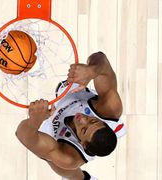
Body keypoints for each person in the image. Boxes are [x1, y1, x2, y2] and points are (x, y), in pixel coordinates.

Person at [16, 52, 126, 180]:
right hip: (77, 96)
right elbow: (101, 58)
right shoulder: (110, 108)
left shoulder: (70, 155)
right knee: (70, 87)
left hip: (55, 131)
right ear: (104, 123)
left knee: (63, 166)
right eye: (92, 121)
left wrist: (35, 121)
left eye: (83, 129)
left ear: (83, 144)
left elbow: (22, 135)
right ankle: (115, 127)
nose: (82, 119)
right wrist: (92, 71)